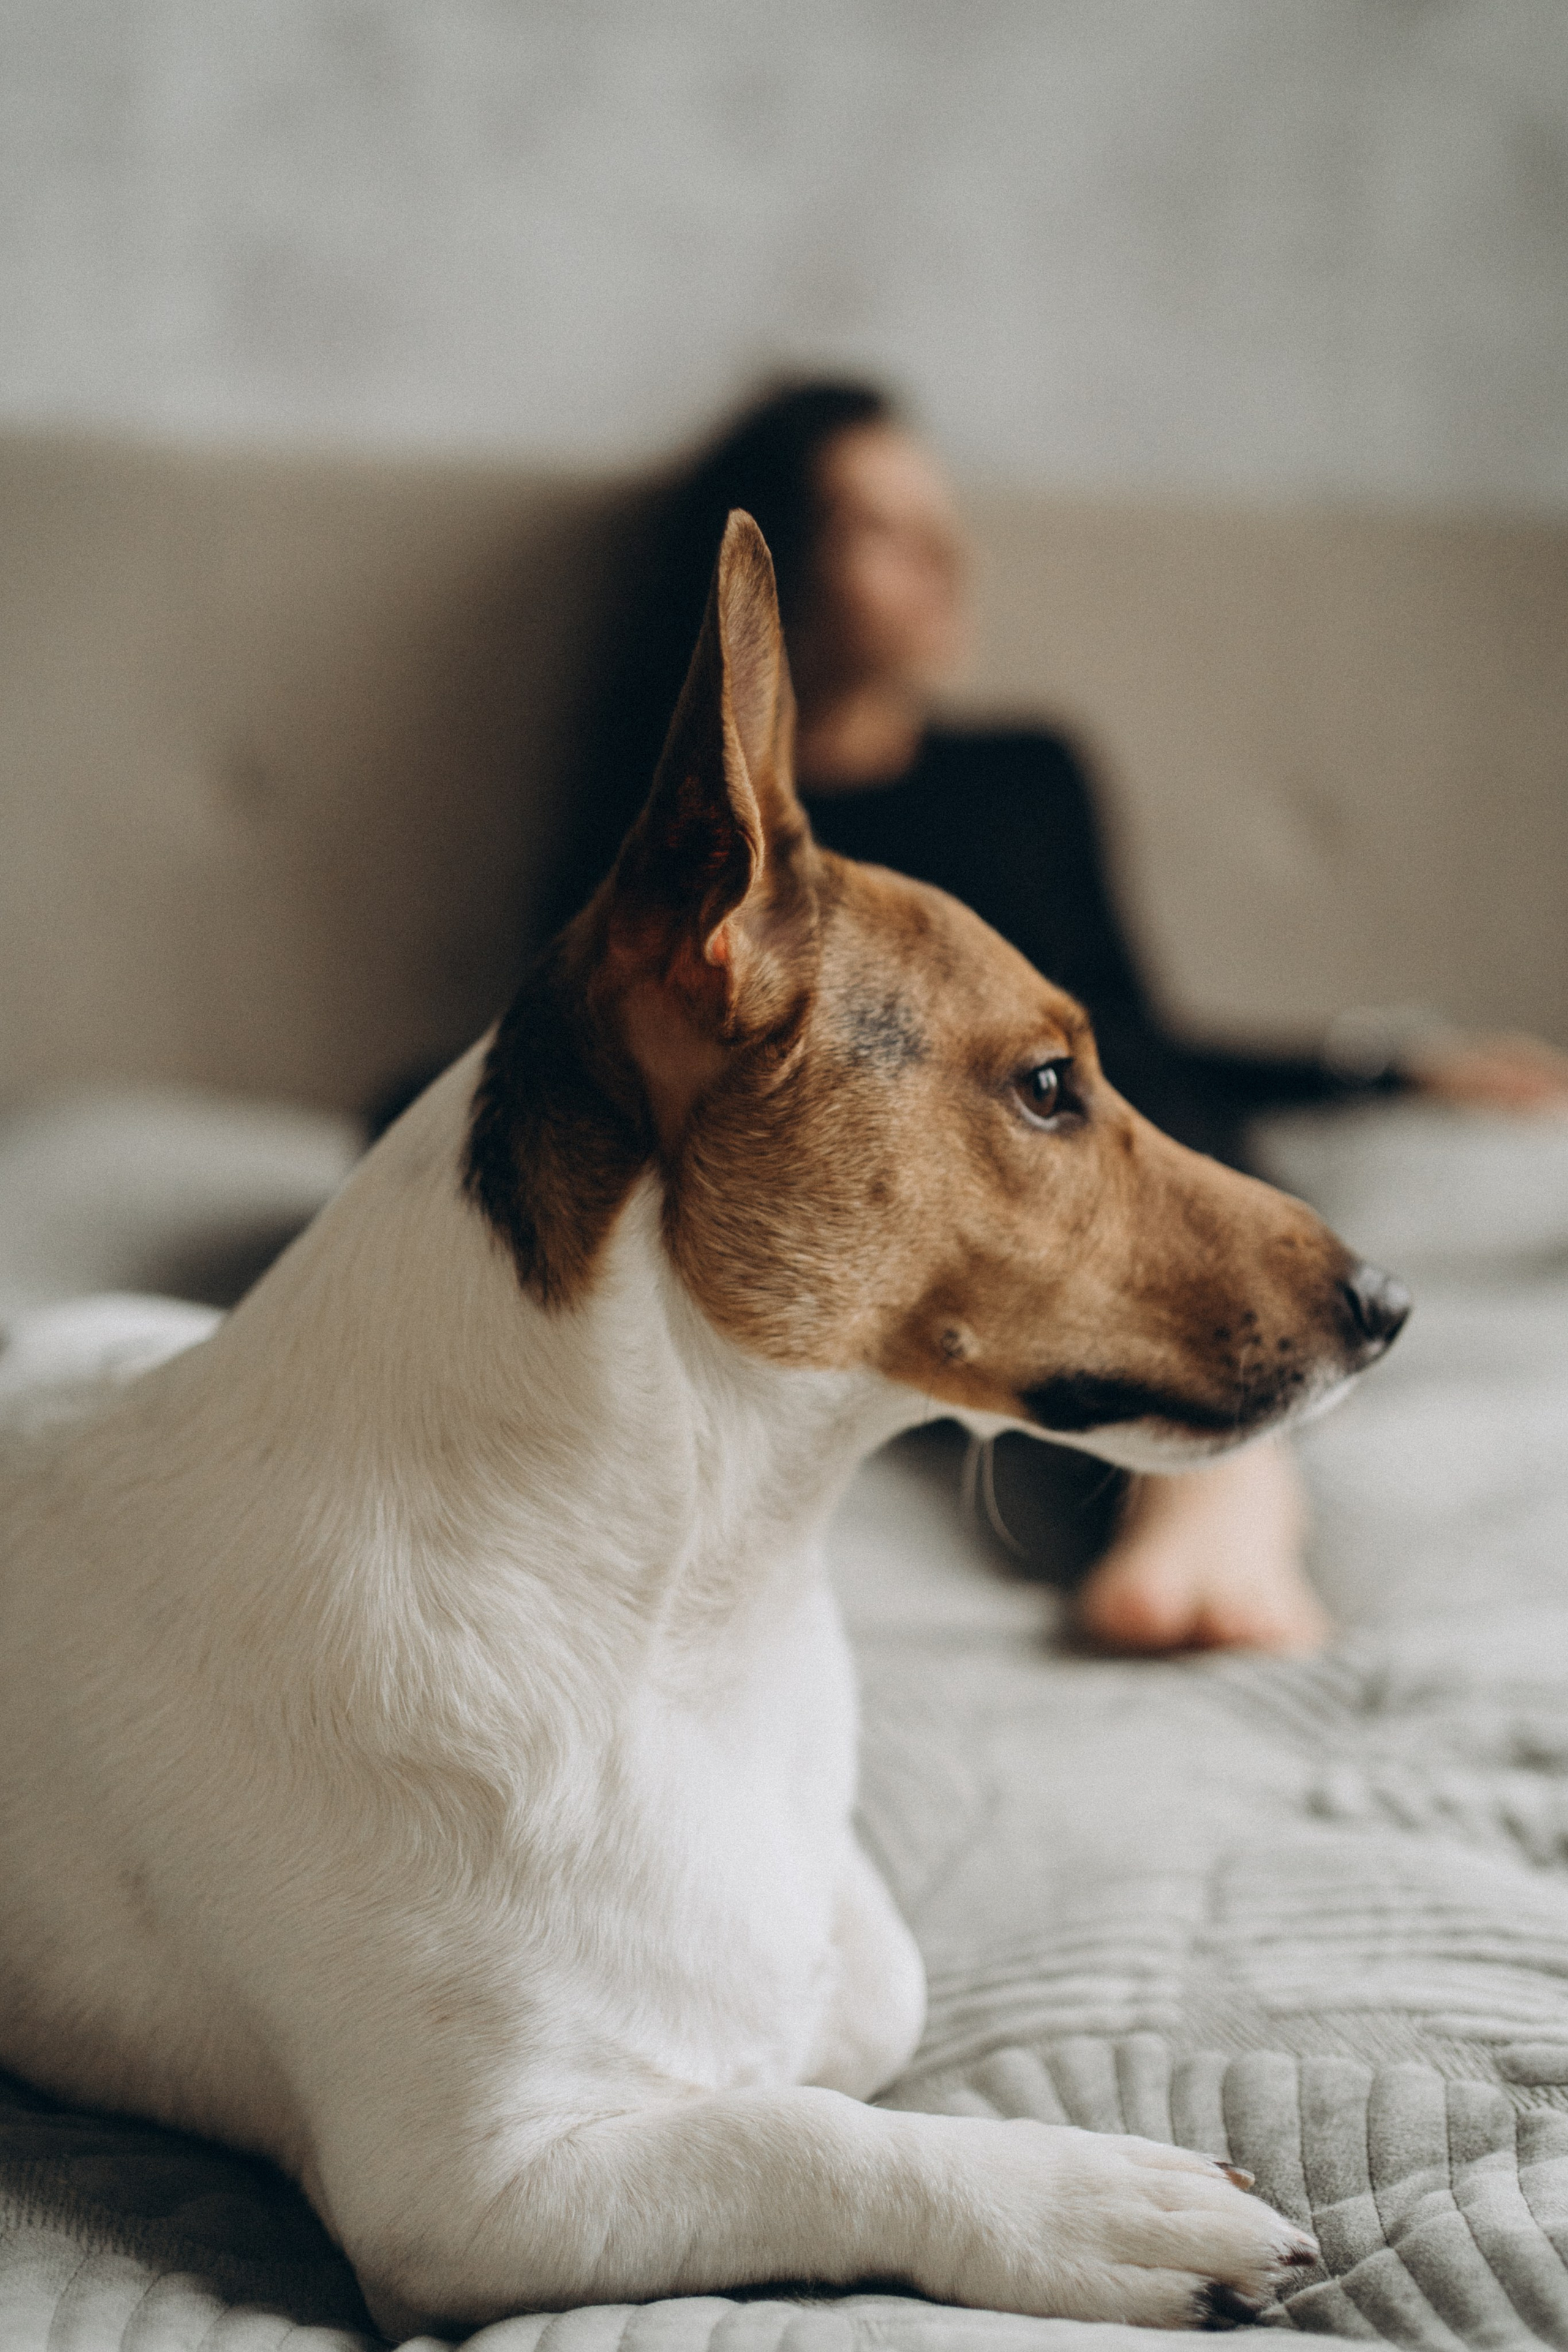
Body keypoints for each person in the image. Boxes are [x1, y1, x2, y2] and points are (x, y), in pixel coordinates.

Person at [542, 379, 1568, 1657]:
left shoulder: (1022, 775)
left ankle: (1216, 1483)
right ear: (779, 556)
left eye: (942, 523)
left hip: (1100, 1097)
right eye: (878, 526)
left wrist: (1390, 1062)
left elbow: (1137, 1035)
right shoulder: (681, 842)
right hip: (778, 1135)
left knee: (1104, 1072)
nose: (940, 559)